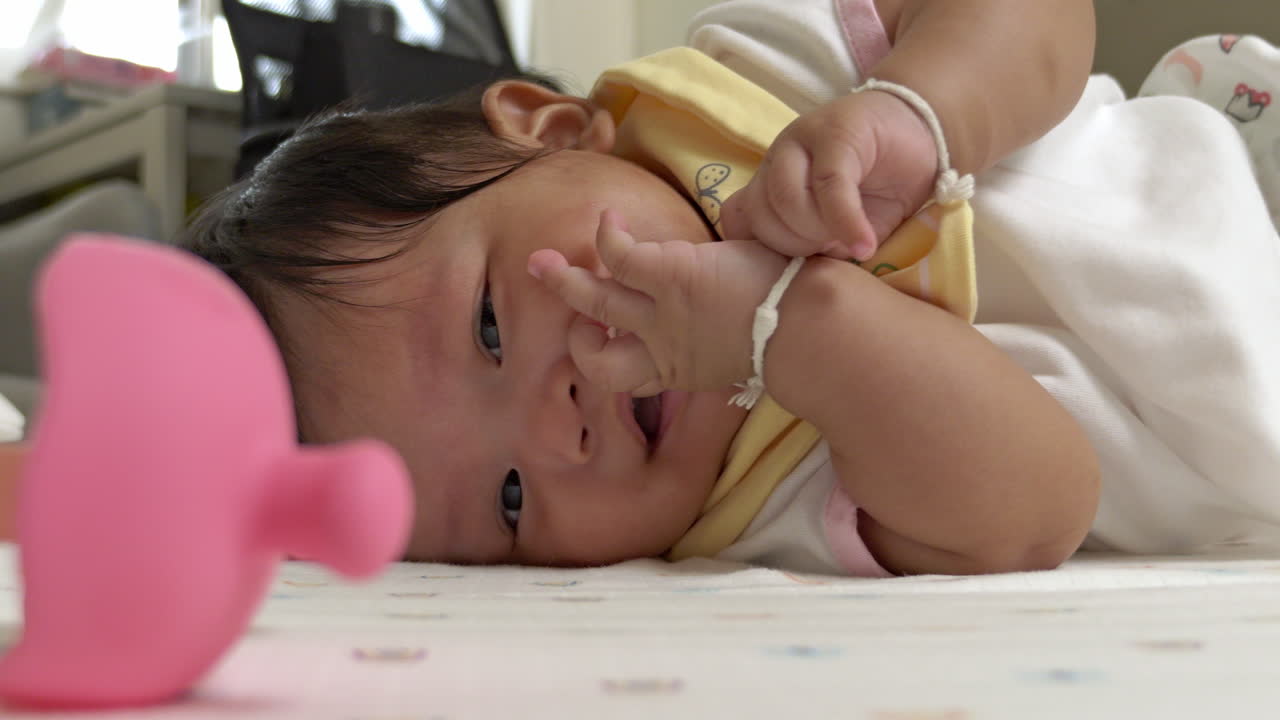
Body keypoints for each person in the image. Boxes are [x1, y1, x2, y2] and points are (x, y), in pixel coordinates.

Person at [169, 0, 1280, 577]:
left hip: (1230, 185)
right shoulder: (772, 512)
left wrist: (917, 108)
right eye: (509, 502)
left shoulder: (761, 70)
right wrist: (784, 327)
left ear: (547, 128)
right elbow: (1044, 502)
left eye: (492, 324)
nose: (557, 425)